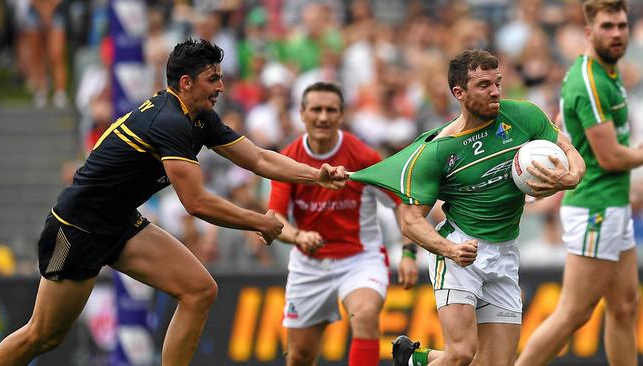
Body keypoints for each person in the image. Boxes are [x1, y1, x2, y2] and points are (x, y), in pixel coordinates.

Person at [0, 39, 348, 366]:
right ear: (186, 82)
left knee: (199, 290)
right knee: (43, 335)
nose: (221, 87)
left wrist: (317, 174)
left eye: (221, 78)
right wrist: (260, 222)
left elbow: (258, 158)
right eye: (213, 79)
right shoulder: (169, 122)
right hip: (76, 230)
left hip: (118, 223)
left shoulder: (199, 118)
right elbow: (196, 203)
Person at [350, 49, 586, 366]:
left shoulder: (524, 116)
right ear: (458, 93)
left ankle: (414, 360)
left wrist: (573, 175)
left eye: (498, 82)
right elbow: (410, 221)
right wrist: (448, 249)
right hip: (461, 249)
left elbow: (567, 148)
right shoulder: (439, 150)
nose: (495, 92)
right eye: (484, 85)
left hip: (504, 252)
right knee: (461, 353)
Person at [516, 1, 640, 365]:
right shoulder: (590, 81)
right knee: (573, 313)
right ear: (589, 32)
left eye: (621, 26)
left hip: (612, 204)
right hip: (594, 207)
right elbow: (611, 157)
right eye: (607, 27)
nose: (616, 34)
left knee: (625, 305)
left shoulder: (604, 71)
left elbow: (560, 119)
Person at [268, 81, 419, 366]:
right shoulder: (288, 159)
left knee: (364, 315)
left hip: (360, 259)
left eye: (330, 110)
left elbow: (402, 201)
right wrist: (299, 236)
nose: (323, 117)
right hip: (309, 264)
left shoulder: (362, 156)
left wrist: (409, 252)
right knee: (299, 355)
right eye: (316, 109)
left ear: (341, 115)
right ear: (302, 113)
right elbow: (275, 218)